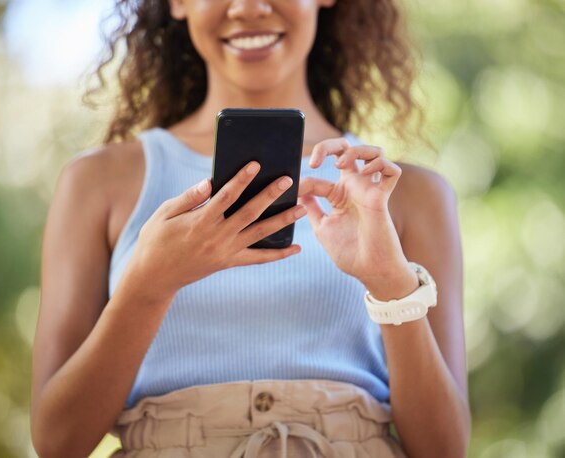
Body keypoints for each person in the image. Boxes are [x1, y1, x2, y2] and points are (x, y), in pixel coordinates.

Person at [30, 0, 471, 457]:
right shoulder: (98, 183)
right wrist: (147, 286)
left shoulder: (406, 193)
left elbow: (443, 448)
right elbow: (58, 442)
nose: (248, 7)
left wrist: (389, 285)